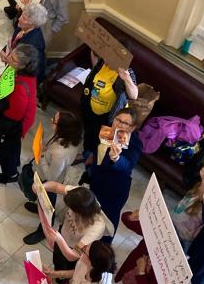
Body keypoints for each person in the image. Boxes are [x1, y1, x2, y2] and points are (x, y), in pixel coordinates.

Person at [0, 44, 39, 184]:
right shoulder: (18, 70)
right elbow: (5, 77)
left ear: (23, 65)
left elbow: (15, 114)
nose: (8, 59)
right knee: (12, 147)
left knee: (7, 149)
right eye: (11, 55)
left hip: (13, 124)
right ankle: (11, 160)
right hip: (14, 119)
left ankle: (10, 175)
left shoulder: (20, 88)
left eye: (13, 59)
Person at [22, 111, 82, 244]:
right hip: (48, 173)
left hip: (49, 183)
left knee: (47, 208)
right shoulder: (68, 137)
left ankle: (42, 232)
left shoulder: (60, 153)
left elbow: (50, 176)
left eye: (54, 120)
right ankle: (38, 207)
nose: (50, 120)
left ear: (63, 128)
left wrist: (42, 156)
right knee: (42, 203)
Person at [86, 107, 144, 238]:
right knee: (92, 210)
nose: (120, 124)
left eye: (126, 123)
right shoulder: (107, 131)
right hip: (97, 180)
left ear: (132, 128)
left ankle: (104, 244)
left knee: (108, 220)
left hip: (114, 189)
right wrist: (93, 158)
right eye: (118, 120)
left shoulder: (135, 144)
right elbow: (99, 148)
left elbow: (127, 165)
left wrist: (116, 158)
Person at [78, 52, 138, 172]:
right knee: (89, 135)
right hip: (91, 110)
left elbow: (134, 95)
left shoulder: (126, 72)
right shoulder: (102, 63)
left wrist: (126, 78)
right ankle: (86, 155)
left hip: (109, 118)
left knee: (101, 145)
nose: (107, 59)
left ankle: (93, 167)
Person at [42, 185, 114, 279]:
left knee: (65, 266)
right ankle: (57, 274)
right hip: (64, 235)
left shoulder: (96, 227)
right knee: (57, 259)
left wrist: (59, 240)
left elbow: (73, 256)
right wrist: (41, 187)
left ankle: (60, 281)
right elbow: (56, 187)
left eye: (72, 209)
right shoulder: (80, 196)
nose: (69, 209)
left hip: (72, 248)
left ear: (81, 212)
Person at [3, 1, 47, 83]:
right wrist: (4, 50)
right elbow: (14, 43)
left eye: (24, 18)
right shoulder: (23, 27)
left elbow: (27, 69)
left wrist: (9, 60)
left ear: (32, 24)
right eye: (22, 15)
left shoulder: (32, 44)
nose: (19, 18)